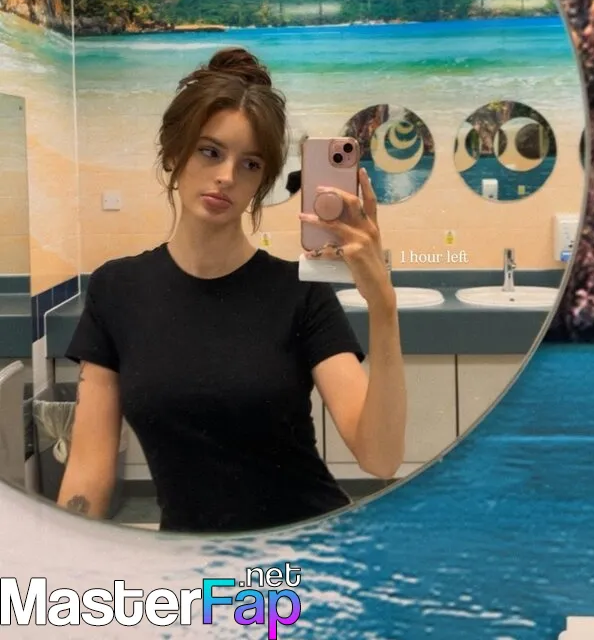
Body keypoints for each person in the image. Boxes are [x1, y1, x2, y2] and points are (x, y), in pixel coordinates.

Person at [57, 48, 406, 534]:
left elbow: (380, 456)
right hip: (190, 559)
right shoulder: (116, 290)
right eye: (210, 152)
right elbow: (87, 473)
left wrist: (383, 305)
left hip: (301, 553)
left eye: (250, 164)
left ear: (261, 182)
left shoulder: (300, 294)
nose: (226, 176)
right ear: (174, 153)